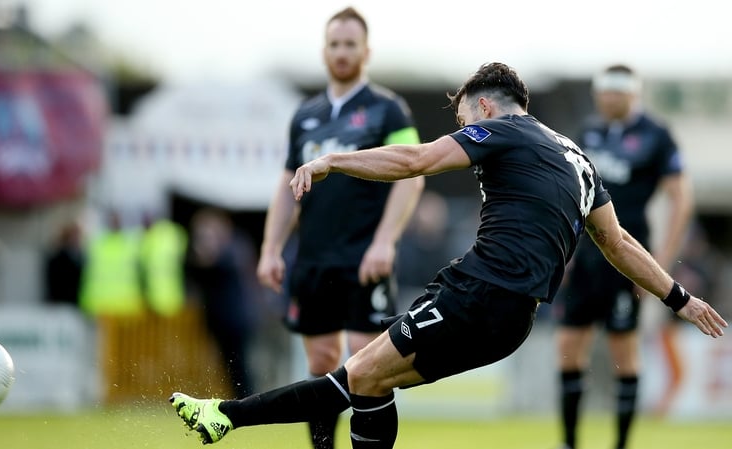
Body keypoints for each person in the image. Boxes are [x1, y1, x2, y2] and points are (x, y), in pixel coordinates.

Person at [168, 62, 727, 449]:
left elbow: (415, 160)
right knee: (370, 382)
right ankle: (229, 417)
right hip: (513, 321)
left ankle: (226, 416)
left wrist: (335, 161)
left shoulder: (503, 129)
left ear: (484, 105)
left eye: (463, 121)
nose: (464, 132)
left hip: (480, 293)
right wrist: (679, 296)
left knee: (356, 373)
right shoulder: (578, 157)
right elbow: (620, 242)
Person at [254, 7, 424, 448]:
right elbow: (286, 184)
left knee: (368, 366)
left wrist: (385, 242)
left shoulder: (387, 109)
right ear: (324, 51)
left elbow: (414, 175)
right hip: (313, 259)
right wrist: (271, 249)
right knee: (322, 361)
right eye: (335, 44)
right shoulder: (305, 115)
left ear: (366, 51)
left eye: (350, 44)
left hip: (364, 256)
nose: (342, 52)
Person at [553, 64, 694, 449]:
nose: (608, 99)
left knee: (624, 351)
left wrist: (659, 263)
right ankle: (568, 442)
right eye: (604, 92)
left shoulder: (656, 135)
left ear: (632, 94)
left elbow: (680, 197)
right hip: (584, 255)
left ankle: (622, 444)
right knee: (567, 347)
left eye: (616, 92)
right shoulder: (589, 132)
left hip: (628, 257)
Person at [185, 207, 260, 398]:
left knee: (238, 363)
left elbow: (216, 267)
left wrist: (206, 252)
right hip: (221, 320)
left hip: (235, 319)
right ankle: (241, 399)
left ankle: (246, 399)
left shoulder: (232, 248)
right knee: (230, 363)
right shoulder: (219, 251)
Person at [44, 218, 85, 306]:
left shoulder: (81, 257)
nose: (76, 239)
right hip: (60, 305)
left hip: (76, 304)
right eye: (73, 236)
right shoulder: (56, 259)